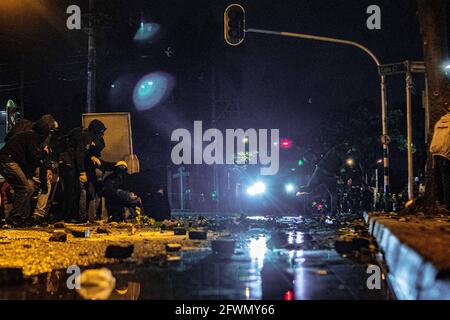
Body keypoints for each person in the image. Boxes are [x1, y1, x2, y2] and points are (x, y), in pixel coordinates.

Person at [0, 116, 57, 227]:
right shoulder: (32, 137)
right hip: (8, 160)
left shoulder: (29, 135)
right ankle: (15, 217)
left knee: (28, 188)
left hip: (9, 160)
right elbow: (33, 157)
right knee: (23, 187)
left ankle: (21, 217)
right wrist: (44, 153)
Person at [58, 120, 107, 222]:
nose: (102, 135)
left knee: (74, 190)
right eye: (100, 132)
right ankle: (73, 217)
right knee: (74, 191)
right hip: (69, 164)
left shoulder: (85, 136)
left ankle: (72, 216)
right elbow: (79, 154)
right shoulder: (85, 137)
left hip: (69, 164)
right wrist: (82, 172)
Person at [298, 142, 355, 214]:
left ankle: (296, 190)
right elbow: (343, 166)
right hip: (328, 175)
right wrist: (345, 175)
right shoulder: (341, 153)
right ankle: (333, 213)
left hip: (320, 171)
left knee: (309, 188)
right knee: (333, 194)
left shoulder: (333, 150)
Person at [429, 110, 450, 210]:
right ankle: (448, 205)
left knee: (440, 178)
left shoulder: (440, 122)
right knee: (447, 179)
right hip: (447, 152)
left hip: (436, 151)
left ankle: (441, 202)